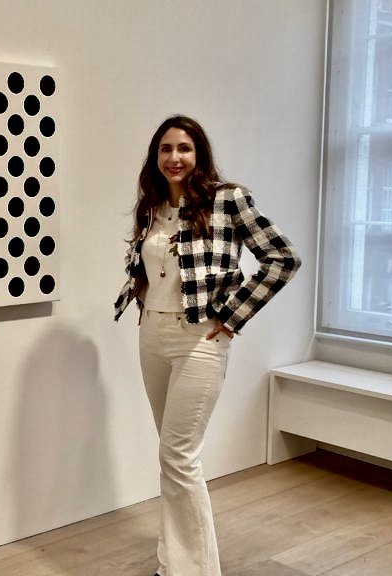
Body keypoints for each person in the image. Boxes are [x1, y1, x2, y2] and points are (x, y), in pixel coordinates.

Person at [113, 115, 301, 576]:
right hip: (152, 334)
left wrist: (232, 315)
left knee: (178, 457)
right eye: (165, 149)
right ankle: (172, 562)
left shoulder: (227, 199)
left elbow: (283, 258)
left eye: (184, 149)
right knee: (172, 456)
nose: (174, 158)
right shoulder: (151, 205)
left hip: (200, 337)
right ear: (155, 157)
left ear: (200, 155)